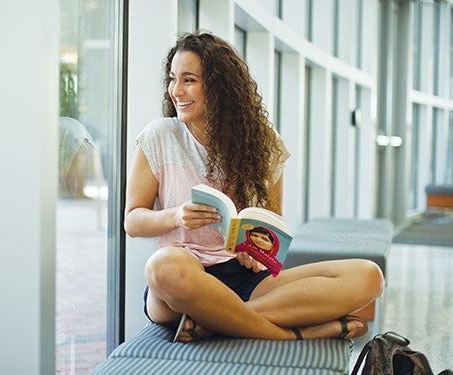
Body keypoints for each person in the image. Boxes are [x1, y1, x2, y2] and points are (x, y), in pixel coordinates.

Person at [124, 31, 384, 343]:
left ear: (219, 88)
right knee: (162, 266)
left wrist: (259, 251)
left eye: (189, 80)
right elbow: (133, 221)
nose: (176, 90)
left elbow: (273, 226)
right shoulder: (158, 137)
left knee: (369, 276)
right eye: (172, 79)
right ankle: (293, 334)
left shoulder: (263, 143)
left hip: (246, 279)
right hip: (183, 277)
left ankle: (214, 321)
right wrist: (176, 216)